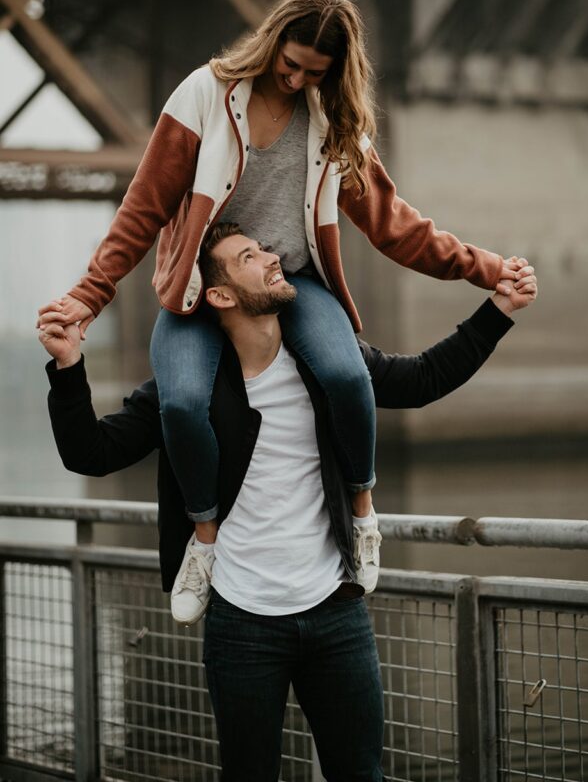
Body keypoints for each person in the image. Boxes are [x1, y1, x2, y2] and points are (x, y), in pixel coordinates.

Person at [37, 0, 528, 621]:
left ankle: (362, 516)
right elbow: (143, 208)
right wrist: (87, 297)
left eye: (314, 73)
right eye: (288, 63)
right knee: (183, 403)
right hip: (201, 289)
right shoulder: (204, 97)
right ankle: (204, 545)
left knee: (350, 375)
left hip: (293, 282)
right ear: (272, 42)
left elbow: (394, 226)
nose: (294, 79)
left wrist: (486, 269)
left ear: (335, 73)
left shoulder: (334, 124)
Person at [39, 222, 537, 782]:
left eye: (265, 248)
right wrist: (68, 368)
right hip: (241, 622)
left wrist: (500, 310)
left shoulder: (328, 368)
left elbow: (421, 380)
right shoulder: (189, 392)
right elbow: (92, 453)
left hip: (337, 608)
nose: (274, 258)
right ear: (220, 295)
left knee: (361, 774)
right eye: (249, 256)